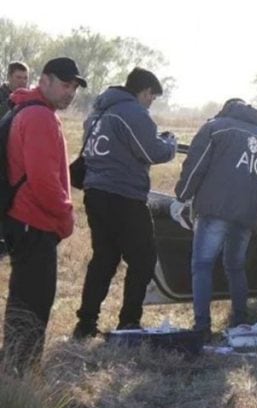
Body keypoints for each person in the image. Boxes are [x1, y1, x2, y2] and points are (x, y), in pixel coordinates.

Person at [72, 67, 177, 339]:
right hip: (124, 196)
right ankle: (129, 322)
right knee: (143, 259)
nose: (150, 103)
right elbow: (151, 152)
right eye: (151, 97)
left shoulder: (97, 113)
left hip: (95, 193)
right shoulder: (133, 113)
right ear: (143, 92)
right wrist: (170, 144)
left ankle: (85, 324)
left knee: (104, 258)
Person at [2, 57, 86, 373]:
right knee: (32, 305)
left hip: (23, 220)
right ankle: (19, 371)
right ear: (45, 80)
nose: (70, 92)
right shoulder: (39, 117)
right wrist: (66, 218)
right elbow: (44, 182)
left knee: (24, 300)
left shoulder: (28, 109)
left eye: (75, 87)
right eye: (65, 84)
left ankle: (14, 364)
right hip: (34, 222)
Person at [173, 99, 257, 339]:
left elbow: (195, 165)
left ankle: (202, 327)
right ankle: (239, 321)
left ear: (225, 110)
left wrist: (181, 196)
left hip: (216, 209)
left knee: (202, 265)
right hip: (248, 214)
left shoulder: (215, 128)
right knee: (235, 266)